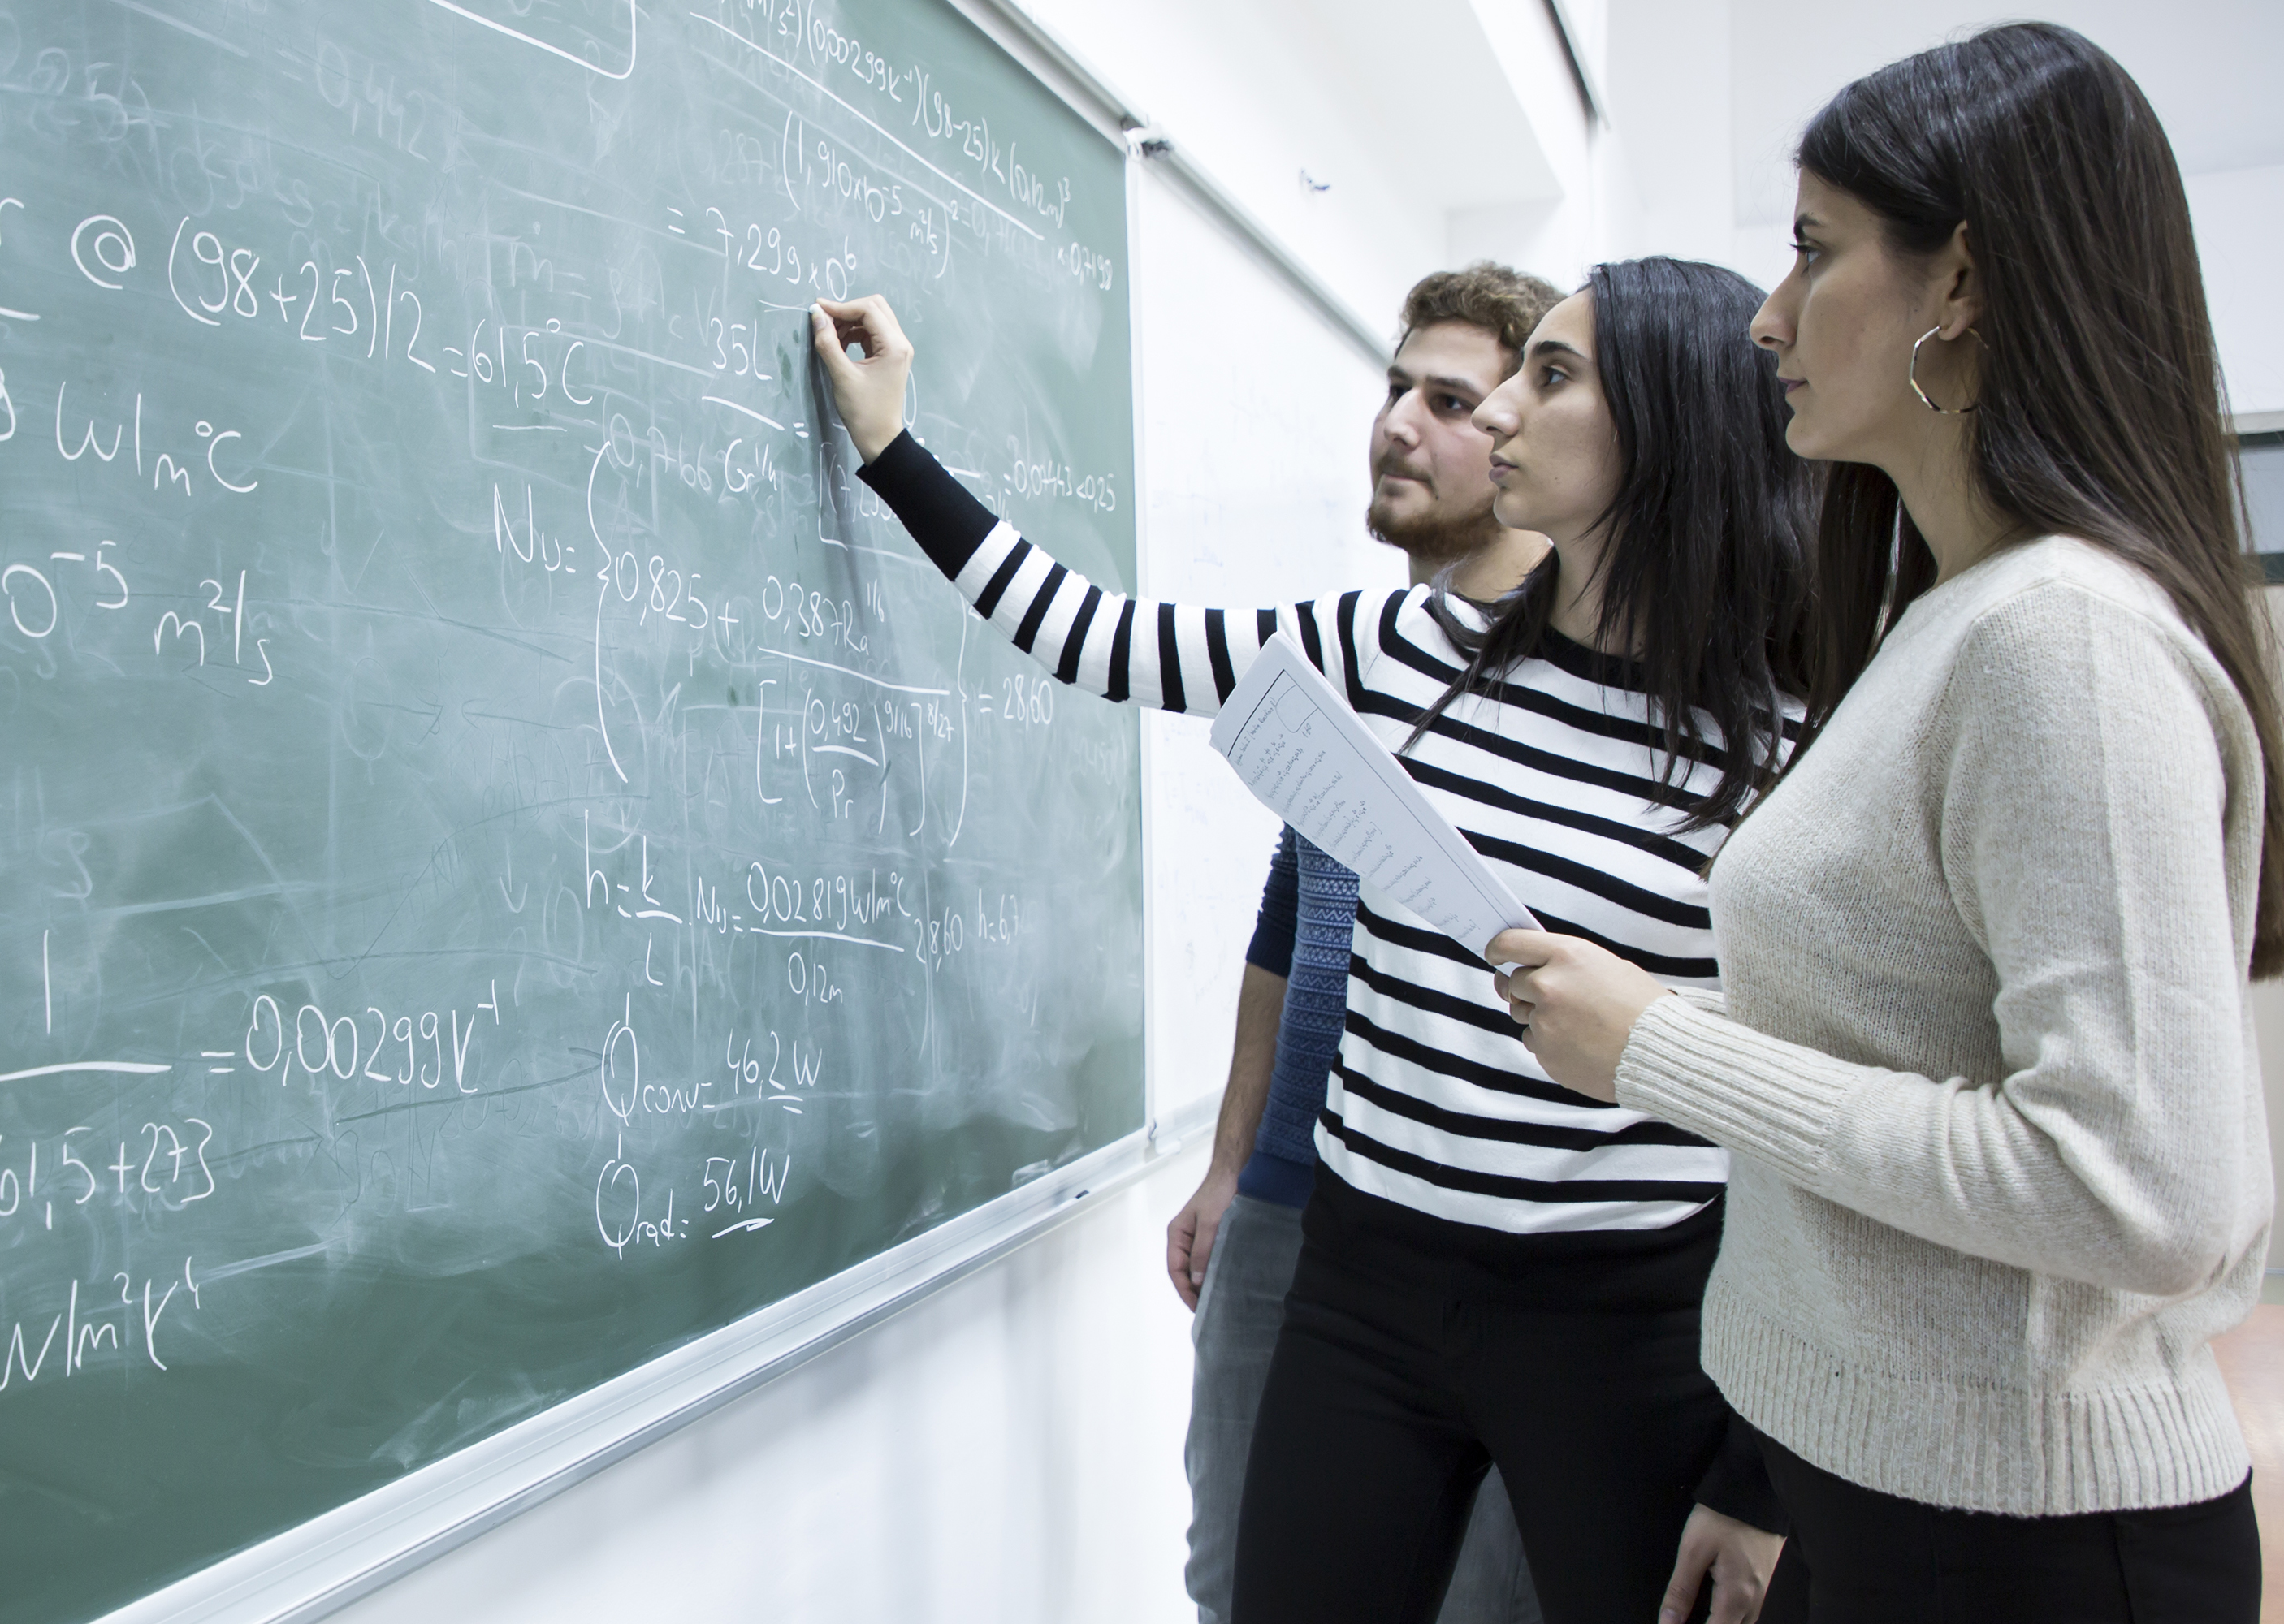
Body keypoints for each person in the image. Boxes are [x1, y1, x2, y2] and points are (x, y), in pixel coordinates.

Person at [814, 253, 1810, 1624]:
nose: (1503, 414)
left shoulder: (1788, 752)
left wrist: (1760, 1474)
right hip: (1369, 1288)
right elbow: (1094, 640)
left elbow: (1803, 1140)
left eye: (1551, 376)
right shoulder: (1406, 645)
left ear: (1673, 425)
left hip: (1625, 1322)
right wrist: (890, 442)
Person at [1489, 24, 2278, 1622]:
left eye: (1808, 251)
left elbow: (2148, 1192)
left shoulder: (2058, 636)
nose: (1766, 317)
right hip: (1888, 1492)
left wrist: (1661, 1049)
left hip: (2022, 1547)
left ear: (1960, 285)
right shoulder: (1940, 620)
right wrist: (1772, 1465)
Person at [1169, 262, 1559, 1624]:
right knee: (1240, 1583)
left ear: (1528, 432)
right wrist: (1231, 1163)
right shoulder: (1359, 657)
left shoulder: (1581, 676)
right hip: (1292, 1197)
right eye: (1396, 388)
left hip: (1474, 1226)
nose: (1396, 424)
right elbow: (1294, 914)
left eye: (1449, 400)